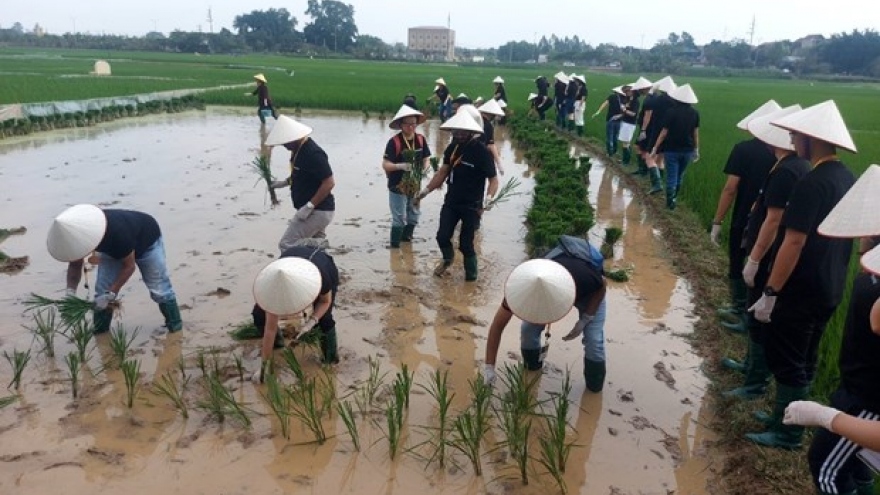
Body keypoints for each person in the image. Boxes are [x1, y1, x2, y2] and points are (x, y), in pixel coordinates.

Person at [744, 100, 858, 449]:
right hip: (831, 284)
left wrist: (771, 291)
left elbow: (793, 241)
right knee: (806, 355)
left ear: (812, 139)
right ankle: (787, 414)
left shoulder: (812, 182)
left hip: (802, 286)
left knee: (789, 357)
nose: (792, 140)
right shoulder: (845, 177)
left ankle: (788, 433)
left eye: (796, 135)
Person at [779, 167, 880, 495]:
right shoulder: (870, 268)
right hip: (858, 385)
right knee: (860, 465)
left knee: (827, 467)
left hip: (868, 397)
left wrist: (827, 417)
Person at [720, 105, 809, 400]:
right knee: (753, 312)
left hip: (769, 254)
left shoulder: (788, 171)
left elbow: (774, 219)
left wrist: (755, 258)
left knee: (759, 320)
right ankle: (749, 369)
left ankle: (753, 384)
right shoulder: (789, 167)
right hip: (767, 249)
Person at [483, 235, 608, 392]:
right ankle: (532, 369)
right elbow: (497, 327)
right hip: (557, 287)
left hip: (589, 294)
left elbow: (602, 285)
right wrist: (489, 367)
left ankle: (594, 388)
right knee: (528, 329)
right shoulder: (519, 290)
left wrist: (586, 318)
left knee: (594, 341)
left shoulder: (584, 278)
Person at [47, 204, 182, 334]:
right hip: (113, 248)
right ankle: (100, 332)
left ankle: (175, 328)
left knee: (159, 289)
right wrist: (70, 293)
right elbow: (75, 265)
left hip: (147, 242)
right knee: (101, 291)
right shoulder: (75, 237)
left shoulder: (118, 234)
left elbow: (129, 267)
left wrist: (111, 294)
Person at [711, 100, 781, 336]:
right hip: (774, 223)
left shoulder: (743, 149)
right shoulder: (785, 157)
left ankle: (739, 308)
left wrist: (717, 221)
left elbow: (731, 188)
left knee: (737, 261)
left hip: (746, 218)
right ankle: (749, 313)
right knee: (761, 269)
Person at [417, 108, 498, 282]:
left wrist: (489, 199)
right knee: (442, 236)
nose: (459, 134)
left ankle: (471, 279)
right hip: (452, 202)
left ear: (471, 131)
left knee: (466, 245)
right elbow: (443, 172)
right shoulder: (453, 148)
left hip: (472, 205)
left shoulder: (482, 152)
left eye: (463, 131)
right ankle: (448, 259)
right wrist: (424, 192)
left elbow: (493, 180)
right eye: (456, 131)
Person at [251, 239, 340, 381]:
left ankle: (330, 360)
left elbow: (325, 301)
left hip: (320, 262)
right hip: (288, 265)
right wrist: (264, 367)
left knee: (325, 320)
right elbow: (270, 329)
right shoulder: (271, 288)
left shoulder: (321, 276)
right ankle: (277, 345)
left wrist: (312, 321)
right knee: (259, 315)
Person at [267, 115, 336, 253]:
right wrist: (283, 183)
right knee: (317, 254)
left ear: (296, 137)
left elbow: (329, 182)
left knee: (287, 244)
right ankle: (320, 269)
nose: (284, 146)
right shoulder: (297, 150)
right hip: (315, 211)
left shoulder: (313, 153)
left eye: (286, 142)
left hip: (318, 211)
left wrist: (309, 206)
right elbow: (301, 175)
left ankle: (319, 244)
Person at [382, 105, 432, 248]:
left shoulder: (421, 140)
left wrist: (426, 167)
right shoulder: (394, 142)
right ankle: (395, 249)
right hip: (397, 184)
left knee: (414, 215)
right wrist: (400, 166)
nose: (411, 127)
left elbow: (426, 158)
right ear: (400, 125)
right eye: (407, 124)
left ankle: (406, 241)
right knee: (399, 218)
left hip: (415, 184)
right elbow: (385, 164)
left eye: (413, 124)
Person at [651, 83, 700, 210]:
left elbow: (664, 132)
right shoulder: (695, 113)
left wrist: (655, 147)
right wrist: (696, 149)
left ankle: (670, 202)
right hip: (687, 149)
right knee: (680, 175)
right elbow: (695, 133)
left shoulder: (671, 112)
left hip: (671, 149)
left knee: (672, 175)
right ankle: (674, 198)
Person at [642, 76, 676, 193]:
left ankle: (657, 184)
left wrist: (651, 92)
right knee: (660, 159)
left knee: (649, 157)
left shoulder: (658, 99)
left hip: (657, 131)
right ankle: (659, 182)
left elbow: (647, 104)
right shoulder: (675, 101)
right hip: (670, 133)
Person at [629, 76, 653, 175]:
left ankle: (643, 170)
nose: (639, 92)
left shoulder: (649, 99)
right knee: (640, 148)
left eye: (640, 90)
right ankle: (642, 170)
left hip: (647, 129)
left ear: (644, 88)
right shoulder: (652, 97)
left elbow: (648, 115)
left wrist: (643, 130)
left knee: (640, 148)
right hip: (647, 128)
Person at [592, 86, 626, 156]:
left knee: (609, 136)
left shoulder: (611, 97)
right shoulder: (624, 99)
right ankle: (614, 151)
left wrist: (598, 111)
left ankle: (609, 152)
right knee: (615, 136)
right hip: (619, 120)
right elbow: (625, 111)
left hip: (610, 119)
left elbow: (605, 104)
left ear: (615, 91)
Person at [476, 98, 506, 176]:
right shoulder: (488, 126)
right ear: (491, 114)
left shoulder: (474, 120)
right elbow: (491, 145)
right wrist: (499, 164)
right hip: (479, 156)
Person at [617, 85, 639, 165]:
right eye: (626, 91)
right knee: (625, 142)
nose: (627, 92)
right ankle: (625, 160)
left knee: (626, 142)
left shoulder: (635, 101)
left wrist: (625, 110)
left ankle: (626, 161)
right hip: (625, 122)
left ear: (633, 91)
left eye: (628, 91)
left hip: (629, 124)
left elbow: (633, 114)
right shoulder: (628, 100)